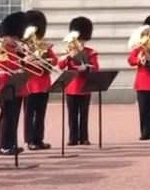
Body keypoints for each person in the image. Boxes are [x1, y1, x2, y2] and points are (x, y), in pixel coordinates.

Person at [59, 16, 100, 145]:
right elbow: (60, 65)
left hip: (84, 87)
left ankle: (84, 138)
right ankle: (72, 138)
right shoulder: (69, 52)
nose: (80, 42)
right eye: (78, 40)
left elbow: (96, 68)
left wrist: (86, 67)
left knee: (84, 114)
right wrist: (68, 57)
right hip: (71, 86)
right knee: (72, 115)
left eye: (81, 40)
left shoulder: (90, 52)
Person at [0, 12, 29, 155]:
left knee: (14, 116)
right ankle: (3, 145)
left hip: (17, 85)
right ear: (5, 37)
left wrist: (24, 55)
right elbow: (5, 64)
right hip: (5, 85)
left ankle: (11, 143)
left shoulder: (16, 51)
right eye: (13, 37)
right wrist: (23, 60)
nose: (15, 40)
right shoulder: (1, 50)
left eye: (16, 37)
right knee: (7, 115)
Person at [22, 9, 56, 151]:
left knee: (41, 113)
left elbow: (54, 60)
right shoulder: (22, 46)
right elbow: (19, 63)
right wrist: (28, 60)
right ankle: (30, 140)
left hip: (43, 82)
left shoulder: (43, 45)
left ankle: (39, 139)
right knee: (29, 114)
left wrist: (45, 60)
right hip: (30, 83)